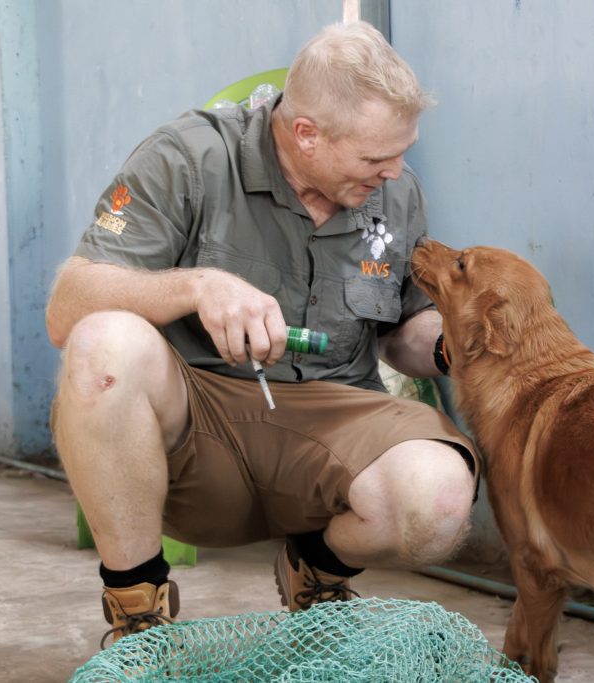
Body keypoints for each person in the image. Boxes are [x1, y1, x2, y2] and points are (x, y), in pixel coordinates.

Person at [45, 20, 478, 647]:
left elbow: (401, 331)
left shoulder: (395, 191)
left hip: (335, 421)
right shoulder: (187, 158)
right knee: (101, 343)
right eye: (374, 158)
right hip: (201, 423)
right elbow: (68, 305)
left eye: (402, 152)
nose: (394, 172)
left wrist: (452, 341)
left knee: (438, 504)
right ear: (306, 134)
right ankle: (138, 613)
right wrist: (198, 287)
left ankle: (317, 570)